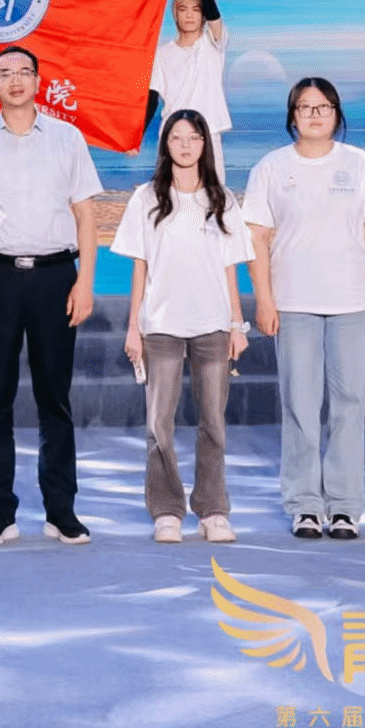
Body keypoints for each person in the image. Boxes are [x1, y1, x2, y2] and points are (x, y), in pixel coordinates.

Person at [0, 45, 102, 547]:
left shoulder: (67, 137)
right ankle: (0, 511)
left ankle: (61, 511)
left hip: (56, 276)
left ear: (38, 80)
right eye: (4, 73)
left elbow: (85, 216)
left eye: (23, 72)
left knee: (54, 398)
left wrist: (84, 282)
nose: (14, 80)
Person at [243, 76, 365, 541]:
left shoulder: (360, 165)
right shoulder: (271, 167)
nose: (314, 114)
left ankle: (345, 506)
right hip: (293, 304)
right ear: (293, 116)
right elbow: (257, 239)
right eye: (305, 107)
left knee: (349, 403)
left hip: (352, 302)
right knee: (300, 405)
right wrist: (264, 299)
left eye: (323, 107)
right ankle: (305, 504)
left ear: (336, 114)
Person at [112, 110, 253, 544]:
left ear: (205, 144)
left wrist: (236, 324)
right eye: (177, 137)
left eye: (193, 137)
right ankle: (166, 510)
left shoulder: (221, 199)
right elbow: (140, 266)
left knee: (213, 422)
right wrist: (134, 327)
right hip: (161, 326)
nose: (186, 145)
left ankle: (213, 510)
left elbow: (230, 267)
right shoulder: (146, 198)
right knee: (160, 424)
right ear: (166, 144)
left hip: (213, 325)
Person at [144, 0, 231, 179]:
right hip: (172, 134)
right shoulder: (162, 53)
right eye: (183, 9)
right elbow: (152, 96)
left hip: (208, 130)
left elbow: (214, 13)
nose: (190, 14)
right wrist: (137, 136)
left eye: (196, 9)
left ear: (203, 15)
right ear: (175, 14)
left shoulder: (212, 44)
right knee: (170, 195)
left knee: (213, 195)